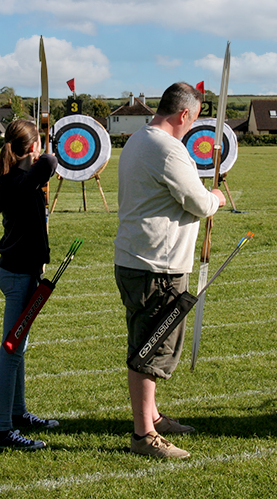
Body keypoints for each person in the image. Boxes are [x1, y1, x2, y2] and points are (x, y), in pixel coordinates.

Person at [114, 82, 225, 458]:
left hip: (137, 260)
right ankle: (144, 435)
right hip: (156, 267)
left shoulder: (138, 139)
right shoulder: (167, 149)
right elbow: (198, 202)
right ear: (184, 115)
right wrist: (217, 199)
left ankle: (152, 417)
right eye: (193, 121)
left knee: (145, 342)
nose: (192, 126)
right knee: (152, 348)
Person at [0, 119, 60, 451]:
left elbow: (42, 168)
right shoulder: (19, 181)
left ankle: (18, 413)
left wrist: (34, 148)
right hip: (18, 275)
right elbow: (51, 163)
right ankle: (3, 431)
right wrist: (41, 151)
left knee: (20, 348)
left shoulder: (17, 178)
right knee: (11, 350)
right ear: (30, 148)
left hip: (19, 272)